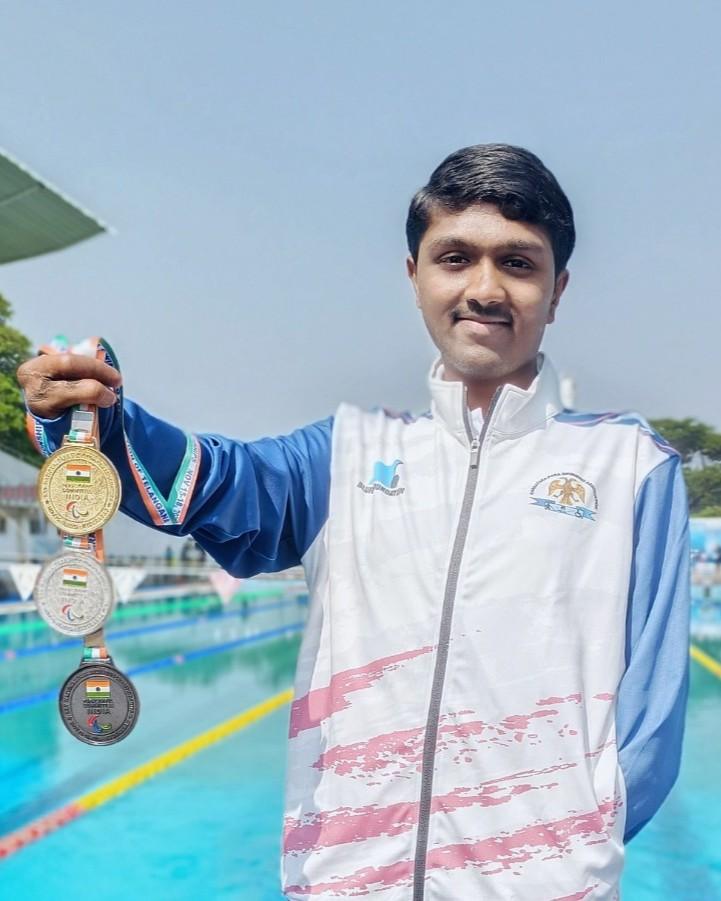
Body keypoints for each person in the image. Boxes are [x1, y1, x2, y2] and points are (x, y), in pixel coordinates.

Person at [18, 144, 690, 900]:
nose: (484, 288)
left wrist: (562, 855)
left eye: (517, 263)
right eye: (455, 258)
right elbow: (215, 483)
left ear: (557, 288)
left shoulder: (630, 467)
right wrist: (97, 419)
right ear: (415, 276)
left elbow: (652, 720)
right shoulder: (344, 454)